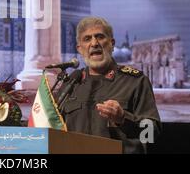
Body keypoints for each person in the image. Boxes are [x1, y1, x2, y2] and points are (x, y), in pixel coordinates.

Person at [56, 16, 161, 154]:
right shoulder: (70, 84)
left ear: (111, 44)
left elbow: (152, 134)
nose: (94, 43)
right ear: (80, 49)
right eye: (87, 39)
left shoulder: (135, 81)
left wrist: (123, 118)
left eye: (100, 37)